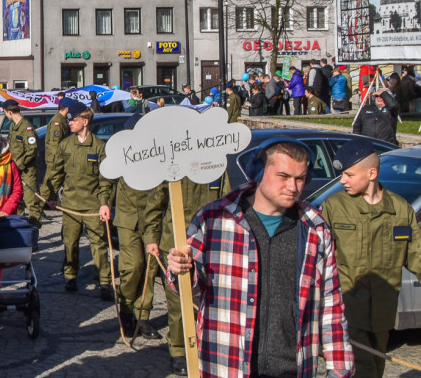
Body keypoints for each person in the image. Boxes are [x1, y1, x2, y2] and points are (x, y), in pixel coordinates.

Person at [166, 139, 353, 378]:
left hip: (292, 368)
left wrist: (339, 367)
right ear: (259, 173)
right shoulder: (213, 219)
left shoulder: (315, 229)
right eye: (283, 176)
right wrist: (181, 269)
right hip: (226, 365)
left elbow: (331, 304)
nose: (293, 187)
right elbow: (185, 288)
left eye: (300, 178)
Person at [320, 139, 421, 378]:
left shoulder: (400, 209)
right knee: (360, 371)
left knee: (375, 370)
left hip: (383, 315)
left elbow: (416, 256)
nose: (342, 180)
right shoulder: (334, 207)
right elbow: (317, 259)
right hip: (347, 314)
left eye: (349, 174)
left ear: (372, 173)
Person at [144, 148, 232, 374]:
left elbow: (229, 204)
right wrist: (151, 239)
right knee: (177, 304)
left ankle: (204, 346)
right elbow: (155, 205)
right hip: (176, 245)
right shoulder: (173, 167)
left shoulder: (217, 167)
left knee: (209, 300)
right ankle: (178, 350)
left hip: (209, 245)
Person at [39, 101, 113, 299]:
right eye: (70, 120)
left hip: (93, 205)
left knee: (99, 245)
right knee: (70, 243)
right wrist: (51, 197)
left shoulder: (99, 147)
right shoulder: (65, 145)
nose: (70, 122)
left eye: (75, 120)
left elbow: (105, 180)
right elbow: (56, 173)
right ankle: (70, 276)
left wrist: (104, 203)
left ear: (85, 122)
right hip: (70, 204)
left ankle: (104, 282)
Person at [110, 113, 160, 339]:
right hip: (128, 218)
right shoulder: (121, 155)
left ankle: (143, 317)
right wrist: (104, 203)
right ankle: (126, 309)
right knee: (133, 267)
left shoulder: (157, 155)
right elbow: (106, 179)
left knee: (149, 269)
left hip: (152, 219)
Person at [1, 99, 41, 226]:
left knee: (31, 202)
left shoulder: (27, 128)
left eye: (5, 113)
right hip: (15, 170)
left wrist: (19, 165)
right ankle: (20, 228)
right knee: (17, 201)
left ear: (9, 112)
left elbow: (32, 150)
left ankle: (34, 231)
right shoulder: (13, 126)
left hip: (27, 171)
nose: (6, 115)